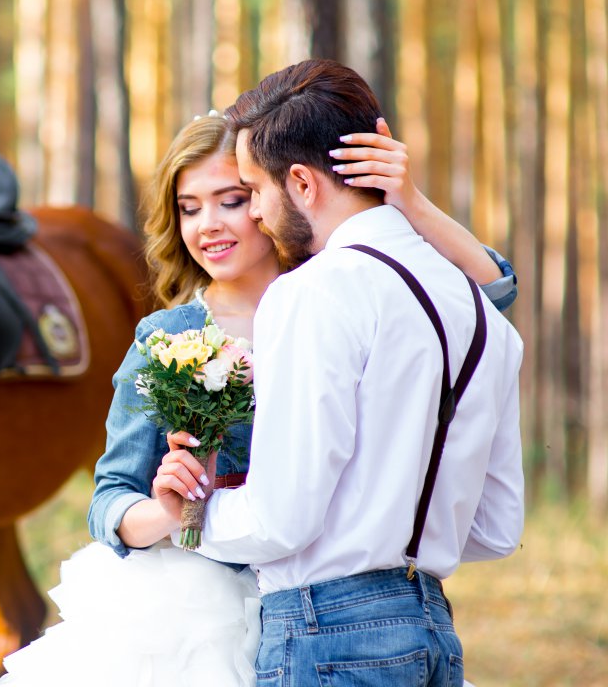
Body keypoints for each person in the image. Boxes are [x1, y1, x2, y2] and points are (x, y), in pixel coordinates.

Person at [0, 102, 518, 686]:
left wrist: (410, 203)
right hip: (195, 620)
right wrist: (170, 514)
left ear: (274, 196)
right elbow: (111, 498)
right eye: (188, 208)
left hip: (332, 600)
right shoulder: (169, 337)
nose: (207, 225)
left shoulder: (340, 291)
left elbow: (489, 296)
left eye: (232, 199)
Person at [172, 60, 524, 686]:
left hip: (326, 640)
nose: (253, 213)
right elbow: (496, 528)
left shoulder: (315, 293)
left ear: (303, 184)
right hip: (434, 634)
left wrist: (186, 517)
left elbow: (282, 519)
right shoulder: (480, 311)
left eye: (253, 190)